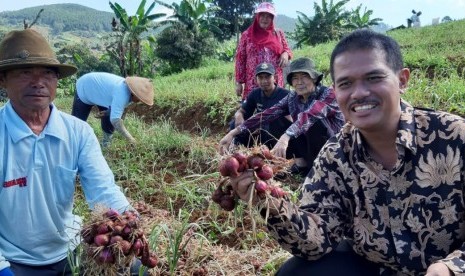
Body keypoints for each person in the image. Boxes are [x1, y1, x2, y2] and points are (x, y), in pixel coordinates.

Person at [229, 29, 465, 275]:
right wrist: (267, 201)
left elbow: (310, 117)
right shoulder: (335, 155)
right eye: (346, 83)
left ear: (402, 80)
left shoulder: (453, 136)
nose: (359, 92)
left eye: (374, 78)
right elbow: (316, 238)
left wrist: (451, 268)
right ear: (336, 90)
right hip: (374, 267)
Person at [0, 29, 139, 276]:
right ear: (3, 80)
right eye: (24, 73)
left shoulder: (78, 131)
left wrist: (127, 218)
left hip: (71, 249)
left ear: (56, 81)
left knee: (137, 270)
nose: (38, 81)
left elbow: (102, 189)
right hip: (14, 258)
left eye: (47, 73)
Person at [220, 57, 345, 176]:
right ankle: (302, 162)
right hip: (307, 146)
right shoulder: (292, 97)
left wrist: (286, 136)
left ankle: (320, 167)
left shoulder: (328, 94)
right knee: (275, 118)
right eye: (295, 78)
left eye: (304, 77)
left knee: (314, 124)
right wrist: (234, 132)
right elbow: (267, 114)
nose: (299, 82)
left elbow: (311, 115)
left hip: (335, 147)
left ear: (314, 79)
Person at [71, 72, 154, 146]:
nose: (140, 101)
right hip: (85, 87)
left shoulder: (129, 92)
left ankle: (106, 143)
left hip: (102, 92)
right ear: (134, 93)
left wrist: (108, 112)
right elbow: (115, 120)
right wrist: (131, 139)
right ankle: (72, 144)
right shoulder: (122, 94)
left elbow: (116, 109)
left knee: (108, 118)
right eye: (140, 98)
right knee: (77, 123)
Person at [234, 2, 292, 100]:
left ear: (272, 18)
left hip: (275, 80)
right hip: (254, 81)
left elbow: (287, 49)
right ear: (257, 17)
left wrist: (285, 54)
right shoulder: (247, 35)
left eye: (268, 16)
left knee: (276, 109)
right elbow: (240, 59)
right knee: (254, 109)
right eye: (262, 16)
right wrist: (239, 83)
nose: (265, 19)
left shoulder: (278, 33)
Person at [231, 62, 292, 150]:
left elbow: (291, 120)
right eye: (260, 77)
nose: (264, 81)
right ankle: (238, 148)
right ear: (256, 80)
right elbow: (242, 111)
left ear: (275, 78)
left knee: (274, 121)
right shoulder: (255, 93)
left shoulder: (286, 94)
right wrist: (239, 116)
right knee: (235, 123)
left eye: (267, 77)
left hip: (280, 134)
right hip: (261, 132)